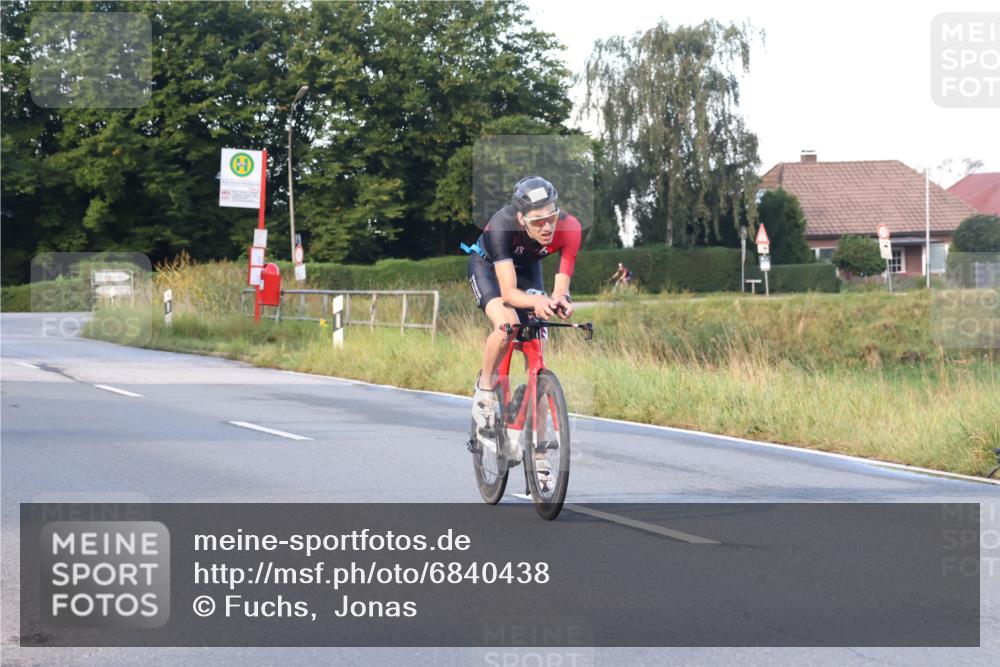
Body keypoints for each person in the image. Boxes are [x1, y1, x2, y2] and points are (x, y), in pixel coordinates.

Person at [465, 176, 581, 477]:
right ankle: (485, 391)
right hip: (490, 269)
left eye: (552, 217)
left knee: (537, 353)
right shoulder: (503, 225)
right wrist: (536, 301)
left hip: (528, 271)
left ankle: (539, 452)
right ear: (521, 218)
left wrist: (559, 300)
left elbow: (560, 287)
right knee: (508, 325)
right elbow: (508, 294)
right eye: (538, 220)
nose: (547, 226)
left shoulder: (570, 229)